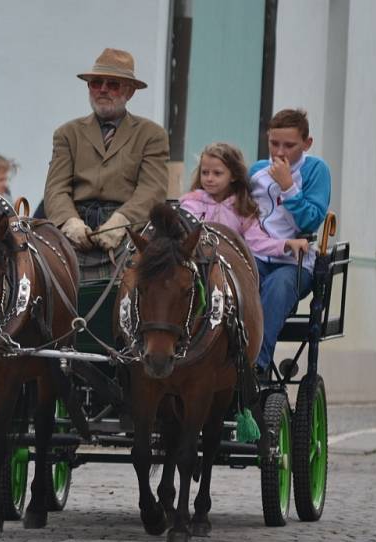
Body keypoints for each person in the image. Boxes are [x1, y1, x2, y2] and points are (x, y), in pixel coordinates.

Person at [44, 48, 169, 280]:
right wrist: (70, 222)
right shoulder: (67, 133)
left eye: (112, 84)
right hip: (77, 222)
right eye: (96, 83)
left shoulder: (151, 134)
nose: (102, 89)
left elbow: (152, 189)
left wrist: (122, 221)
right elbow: (55, 188)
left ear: (129, 92)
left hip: (128, 225)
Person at [249, 108, 331, 374]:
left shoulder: (316, 170)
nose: (280, 152)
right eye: (274, 144)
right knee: (232, 281)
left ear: (306, 144)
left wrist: (288, 186)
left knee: (277, 286)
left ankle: (256, 366)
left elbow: (310, 221)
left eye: (289, 145)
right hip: (257, 256)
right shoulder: (257, 171)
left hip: (295, 265)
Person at [179, 142, 309, 259]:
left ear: (234, 175)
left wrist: (286, 244)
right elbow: (179, 236)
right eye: (205, 172)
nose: (209, 178)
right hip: (194, 264)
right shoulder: (190, 203)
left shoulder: (241, 209)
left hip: (227, 269)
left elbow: (257, 242)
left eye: (217, 173)